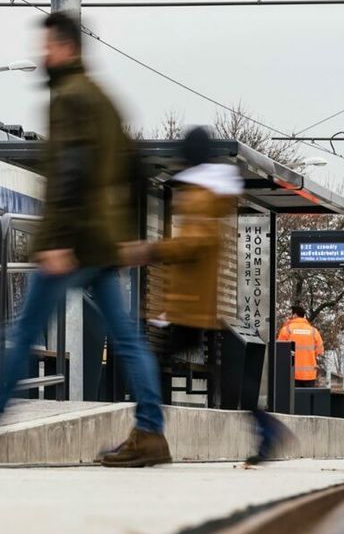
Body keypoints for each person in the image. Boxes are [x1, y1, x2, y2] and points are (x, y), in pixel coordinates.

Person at [0, 11, 171, 467]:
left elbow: (70, 171)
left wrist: (59, 240)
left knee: (22, 332)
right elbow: (133, 167)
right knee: (127, 340)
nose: (43, 54)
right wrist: (124, 234)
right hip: (99, 241)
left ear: (66, 48)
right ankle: (151, 433)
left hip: (73, 240)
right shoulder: (102, 98)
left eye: (48, 45)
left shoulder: (70, 97)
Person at [124, 126, 291, 465]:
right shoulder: (211, 192)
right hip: (200, 302)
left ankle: (146, 435)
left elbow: (195, 242)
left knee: (151, 366)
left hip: (188, 304)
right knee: (220, 379)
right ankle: (266, 429)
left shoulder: (201, 194)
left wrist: (150, 249)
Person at [277, 306, 324, 388]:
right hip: (309, 375)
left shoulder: (286, 330)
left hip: (291, 374)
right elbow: (319, 350)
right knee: (307, 400)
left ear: (295, 315)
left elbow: (280, 350)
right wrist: (310, 357)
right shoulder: (313, 331)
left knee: (292, 400)